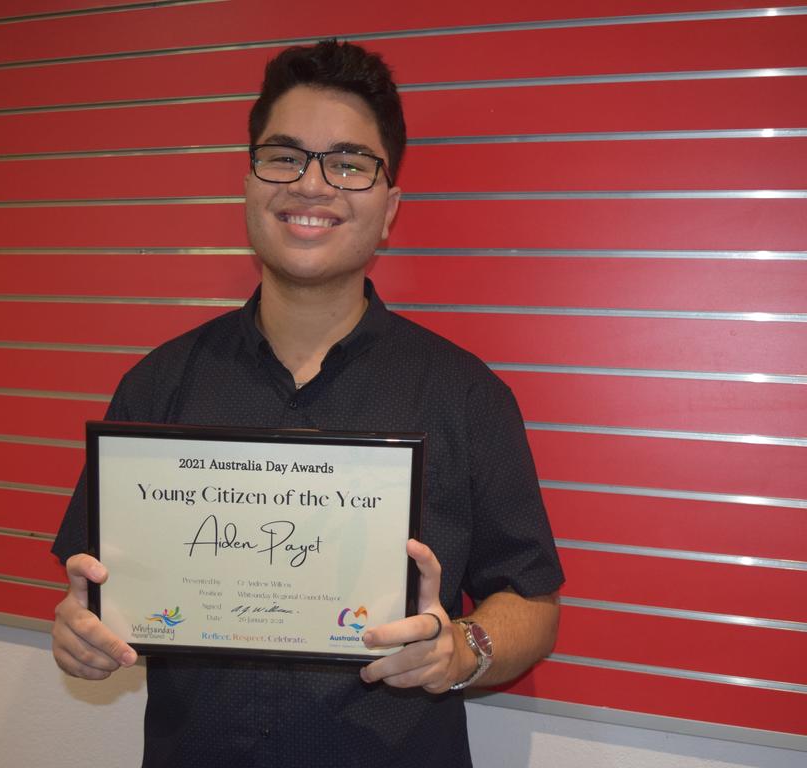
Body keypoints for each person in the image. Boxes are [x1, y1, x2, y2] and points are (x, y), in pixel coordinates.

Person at [51, 40, 563, 767]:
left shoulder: (467, 395)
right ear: (250, 182)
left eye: (349, 163)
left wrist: (461, 649)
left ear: (389, 210)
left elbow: (534, 604)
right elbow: (96, 594)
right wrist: (80, 628)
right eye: (284, 156)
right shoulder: (157, 385)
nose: (311, 185)